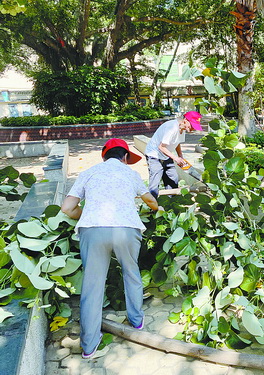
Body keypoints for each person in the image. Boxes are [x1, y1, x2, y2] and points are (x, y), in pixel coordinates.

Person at [61, 138, 159, 359]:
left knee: (92, 286)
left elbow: (67, 208)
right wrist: (154, 207)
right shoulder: (131, 174)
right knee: (131, 274)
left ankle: (88, 346)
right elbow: (152, 202)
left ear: (103, 156)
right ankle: (136, 322)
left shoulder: (88, 173)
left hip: (92, 230)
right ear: (125, 157)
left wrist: (83, 215)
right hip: (126, 229)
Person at [145, 111, 202, 198]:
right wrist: (175, 158)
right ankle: (152, 206)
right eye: (192, 126)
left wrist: (180, 156)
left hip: (166, 154)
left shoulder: (182, 129)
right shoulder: (171, 127)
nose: (193, 129)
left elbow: (177, 142)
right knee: (155, 182)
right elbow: (161, 147)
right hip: (154, 155)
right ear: (185, 120)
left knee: (173, 178)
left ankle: (171, 203)